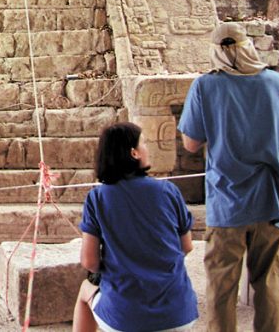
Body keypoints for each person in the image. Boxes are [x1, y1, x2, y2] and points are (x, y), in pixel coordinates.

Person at [178, 22, 279, 332]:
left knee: (222, 288)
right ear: (249, 46)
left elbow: (191, 143)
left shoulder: (205, 86)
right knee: (270, 284)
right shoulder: (275, 82)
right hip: (269, 200)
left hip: (227, 202)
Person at [73, 122, 199, 332]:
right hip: (179, 314)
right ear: (134, 153)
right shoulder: (169, 191)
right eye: (144, 143)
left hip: (126, 319)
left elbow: (90, 262)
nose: (147, 148)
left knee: (85, 291)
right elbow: (186, 246)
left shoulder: (97, 198)